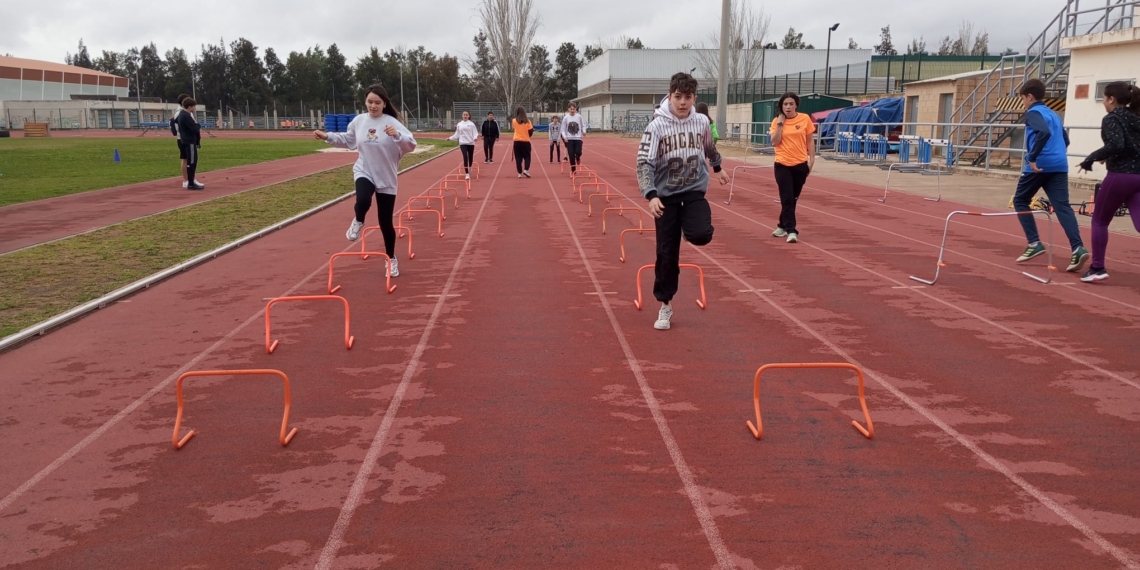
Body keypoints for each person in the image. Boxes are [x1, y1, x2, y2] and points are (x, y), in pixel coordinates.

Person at [637, 72, 728, 331]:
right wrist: (651, 194)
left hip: (693, 190)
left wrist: (718, 167)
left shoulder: (700, 122)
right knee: (666, 254)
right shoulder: (656, 126)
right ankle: (665, 305)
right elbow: (644, 161)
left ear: (694, 98)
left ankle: (690, 231)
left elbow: (709, 147)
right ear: (670, 96)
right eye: (678, 97)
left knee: (701, 234)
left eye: (688, 97)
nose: (682, 103)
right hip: (666, 196)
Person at [314, 84, 416, 278]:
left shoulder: (392, 122)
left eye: (377, 102)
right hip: (365, 169)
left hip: (386, 175)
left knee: (385, 222)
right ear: (365, 102)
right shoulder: (359, 121)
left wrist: (397, 135)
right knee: (363, 200)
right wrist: (327, 136)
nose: (373, 106)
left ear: (384, 103)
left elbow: (411, 144)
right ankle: (358, 220)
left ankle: (391, 259)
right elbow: (347, 139)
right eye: (370, 102)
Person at [1013, 79, 1090, 272]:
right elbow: (1065, 139)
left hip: (1039, 164)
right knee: (1062, 206)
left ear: (1029, 97)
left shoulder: (1032, 113)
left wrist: (1033, 157)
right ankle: (1078, 248)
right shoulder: (1054, 114)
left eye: (1023, 99)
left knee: (1020, 200)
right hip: (1059, 164)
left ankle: (1034, 243)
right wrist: (1056, 154)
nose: (1023, 103)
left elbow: (1043, 133)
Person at [1076, 81, 1140, 283]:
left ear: (1111, 99)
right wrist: (1110, 156)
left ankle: (1097, 268)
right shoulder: (1136, 117)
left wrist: (1091, 158)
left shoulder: (1111, 118)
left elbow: (1117, 144)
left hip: (1120, 177)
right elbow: (1127, 146)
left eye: (1103, 98)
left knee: (1100, 221)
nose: (1103, 102)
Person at [769, 92, 815, 243]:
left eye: (791, 104)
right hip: (782, 164)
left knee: (793, 198)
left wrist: (812, 160)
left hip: (800, 164)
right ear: (781, 106)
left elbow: (809, 141)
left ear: (796, 105)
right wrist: (781, 124)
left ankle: (782, 225)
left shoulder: (805, 119)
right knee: (787, 198)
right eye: (785, 104)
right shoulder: (777, 121)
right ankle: (791, 230)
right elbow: (774, 142)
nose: (788, 107)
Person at [175, 97, 204, 191]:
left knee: (191, 161)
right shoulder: (186, 116)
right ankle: (191, 183)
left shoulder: (182, 114)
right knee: (191, 162)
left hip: (186, 140)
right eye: (194, 106)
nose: (195, 108)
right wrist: (198, 125)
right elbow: (194, 129)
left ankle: (191, 181)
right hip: (189, 141)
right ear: (190, 106)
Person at [169, 93, 194, 188]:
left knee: (188, 160)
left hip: (185, 138)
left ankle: (190, 178)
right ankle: (186, 180)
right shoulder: (180, 112)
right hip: (183, 139)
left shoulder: (183, 112)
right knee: (185, 159)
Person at [449, 110, 479, 180]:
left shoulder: (471, 124)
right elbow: (457, 134)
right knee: (465, 156)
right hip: (462, 143)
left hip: (471, 143)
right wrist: (450, 138)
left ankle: (470, 167)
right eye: (464, 115)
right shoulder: (459, 124)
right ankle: (467, 173)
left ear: (469, 116)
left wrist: (475, 138)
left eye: (466, 115)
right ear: (462, 116)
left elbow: (475, 133)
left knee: (470, 157)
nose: (465, 116)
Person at [561, 103, 587, 172]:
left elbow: (583, 125)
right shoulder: (565, 118)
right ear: (568, 109)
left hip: (578, 138)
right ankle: (573, 170)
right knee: (571, 154)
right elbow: (563, 129)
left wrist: (584, 131)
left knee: (578, 152)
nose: (572, 110)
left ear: (576, 109)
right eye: (571, 109)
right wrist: (564, 137)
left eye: (574, 109)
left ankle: (578, 157)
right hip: (569, 139)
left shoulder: (579, 117)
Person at [511, 107, 534, 178]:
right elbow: (531, 131)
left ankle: (519, 173)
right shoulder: (528, 121)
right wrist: (527, 136)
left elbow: (514, 128)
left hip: (517, 141)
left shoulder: (514, 121)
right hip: (525, 141)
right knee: (527, 157)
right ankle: (526, 170)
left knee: (518, 158)